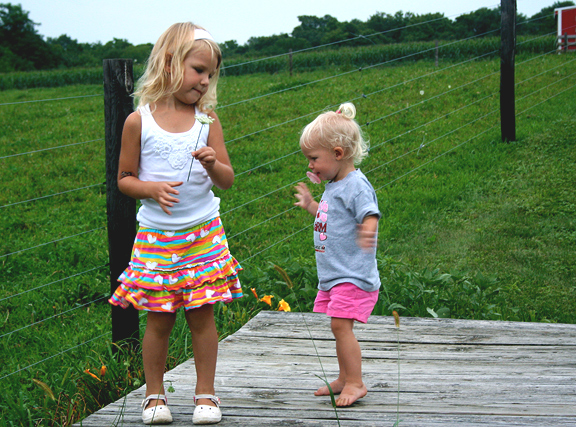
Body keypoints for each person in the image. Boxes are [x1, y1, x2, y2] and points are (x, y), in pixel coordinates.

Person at [108, 22, 242, 425]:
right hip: (156, 238)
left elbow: (227, 180)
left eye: (210, 74)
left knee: (202, 316)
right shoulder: (139, 122)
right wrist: (149, 189)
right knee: (159, 319)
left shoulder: (206, 121)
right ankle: (154, 396)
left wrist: (213, 163)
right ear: (169, 62)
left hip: (202, 234)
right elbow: (124, 179)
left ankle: (206, 394)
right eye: (198, 69)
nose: (204, 81)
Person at [294, 103, 380, 407]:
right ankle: (345, 378)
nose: (311, 165)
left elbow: (369, 212)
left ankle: (355, 382)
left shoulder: (356, 185)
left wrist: (369, 227)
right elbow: (332, 217)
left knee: (340, 326)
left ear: (338, 154)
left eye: (314, 158)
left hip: (353, 275)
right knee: (338, 326)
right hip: (335, 274)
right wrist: (311, 206)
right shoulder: (335, 184)